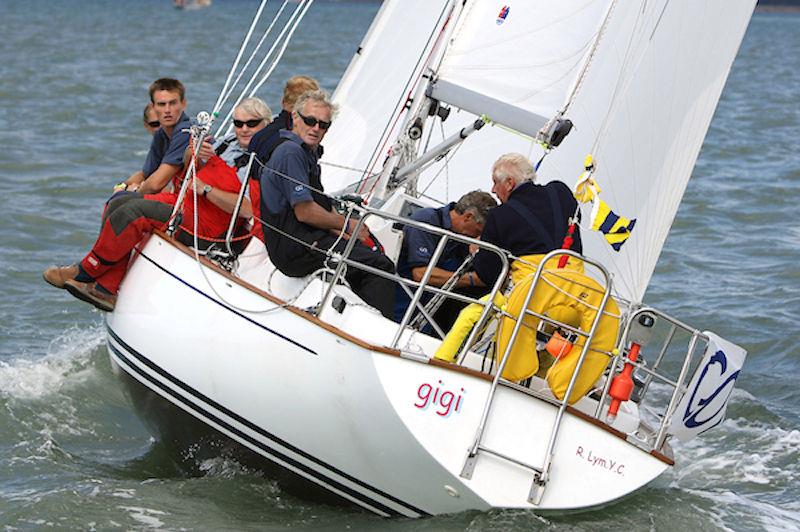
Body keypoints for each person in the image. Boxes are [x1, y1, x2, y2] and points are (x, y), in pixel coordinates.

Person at [42, 98, 272, 312]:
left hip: (207, 227)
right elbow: (188, 163)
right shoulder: (226, 142)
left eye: (251, 123)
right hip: (187, 205)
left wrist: (206, 189)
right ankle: (107, 287)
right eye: (238, 123)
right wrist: (192, 154)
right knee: (119, 201)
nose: (243, 129)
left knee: (134, 213)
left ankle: (86, 270)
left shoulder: (262, 162)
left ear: (266, 124)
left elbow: (247, 209)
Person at [260, 89, 396, 319]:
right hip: (294, 248)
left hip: (304, 241)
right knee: (379, 267)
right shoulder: (291, 153)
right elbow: (304, 212)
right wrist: (347, 225)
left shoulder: (307, 154)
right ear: (295, 118)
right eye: (310, 121)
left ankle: (354, 317)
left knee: (366, 254)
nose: (316, 128)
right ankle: (374, 331)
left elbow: (318, 206)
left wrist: (343, 231)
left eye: (323, 125)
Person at [466, 153, 582, 288]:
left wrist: (477, 252)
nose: (493, 190)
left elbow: (489, 274)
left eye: (495, 182)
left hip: (532, 292)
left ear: (510, 183)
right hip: (577, 286)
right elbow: (575, 217)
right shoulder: (560, 191)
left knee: (471, 310)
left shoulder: (499, 215)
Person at [394, 191, 497, 330]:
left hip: (427, 308)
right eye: (478, 231)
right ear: (468, 217)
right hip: (403, 302)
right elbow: (421, 274)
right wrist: (473, 279)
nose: (478, 236)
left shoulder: (461, 235)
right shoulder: (426, 221)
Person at [246, 75, 320, 241]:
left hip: (261, 218)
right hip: (280, 227)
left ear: (282, 101)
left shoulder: (261, 136)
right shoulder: (291, 145)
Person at [118, 78, 191, 195]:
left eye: (172, 103)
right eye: (162, 104)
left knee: (127, 207)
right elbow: (145, 174)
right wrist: (122, 187)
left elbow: (156, 184)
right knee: (118, 198)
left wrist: (135, 191)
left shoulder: (185, 132)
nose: (167, 110)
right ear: (153, 106)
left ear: (183, 104)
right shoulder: (161, 135)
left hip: (201, 202)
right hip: (182, 197)